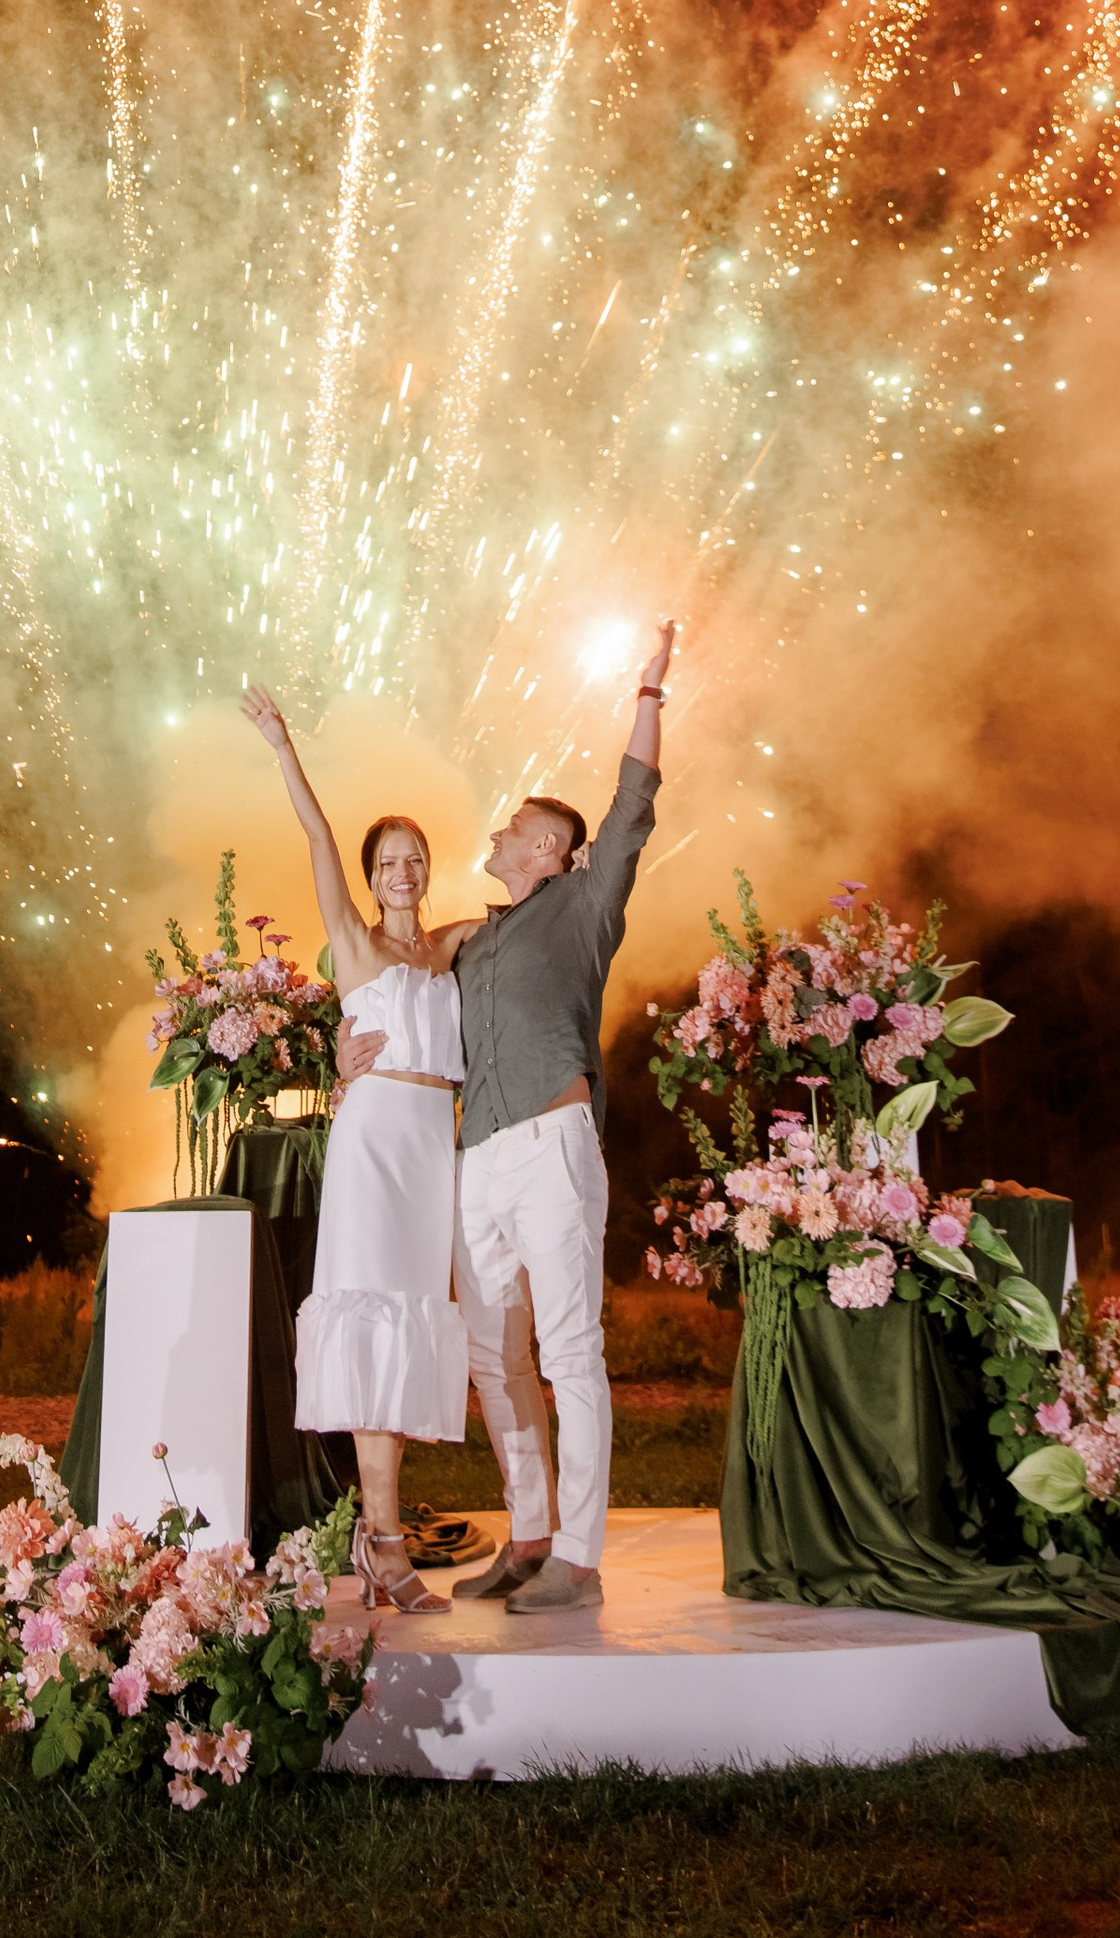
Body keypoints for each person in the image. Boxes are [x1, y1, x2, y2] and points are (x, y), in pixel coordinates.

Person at [340, 619, 675, 1614]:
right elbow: (386, 964)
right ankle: (527, 1534)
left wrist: (648, 693)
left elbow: (631, 808)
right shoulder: (474, 937)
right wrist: (342, 1042)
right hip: (472, 1159)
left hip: (551, 1141)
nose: (486, 839)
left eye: (505, 830)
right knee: (492, 1356)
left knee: (569, 1348)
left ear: (547, 847)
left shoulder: (582, 905)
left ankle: (579, 1553)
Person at [239, 681, 472, 1614]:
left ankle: (380, 1539)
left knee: (411, 1327)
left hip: (434, 1150)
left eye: (415, 859)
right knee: (376, 1322)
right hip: (376, 1144)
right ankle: (382, 1543)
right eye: (389, 861)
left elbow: (530, 917)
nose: (402, 872)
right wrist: (283, 747)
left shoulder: (451, 949)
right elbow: (317, 838)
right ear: (373, 875)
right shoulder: (360, 946)